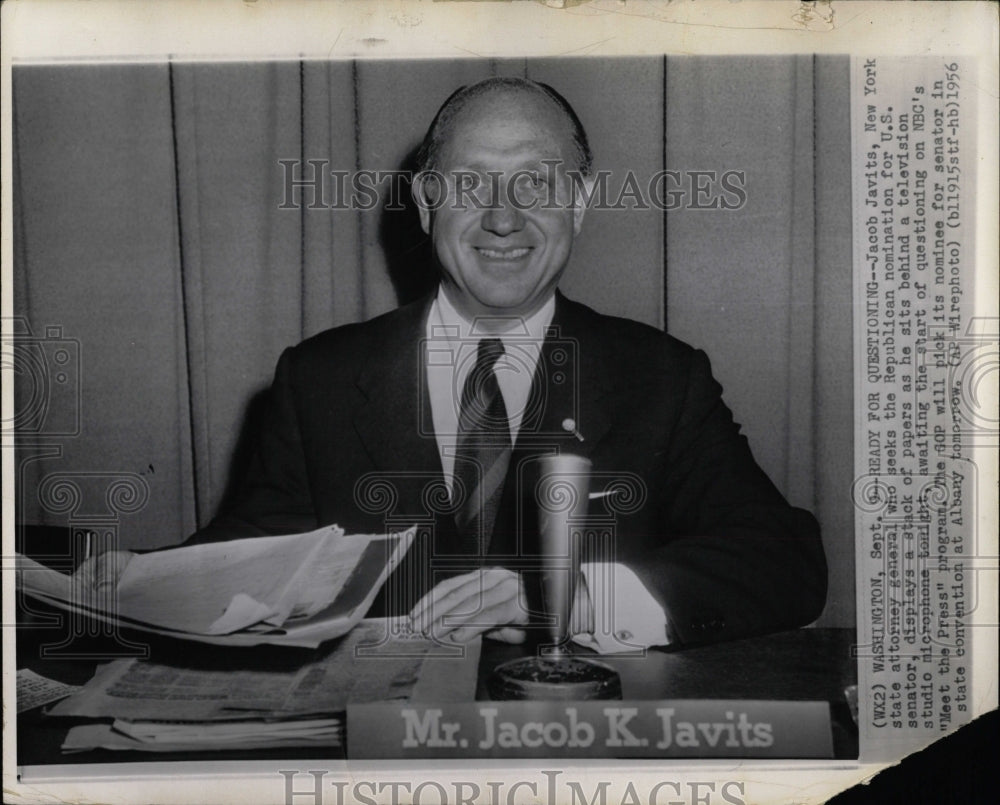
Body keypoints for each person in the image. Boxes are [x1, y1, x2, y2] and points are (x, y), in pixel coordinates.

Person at [79, 77, 827, 652]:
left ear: (581, 201)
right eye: (471, 183)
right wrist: (130, 582)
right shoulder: (319, 380)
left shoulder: (662, 377)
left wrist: (564, 598)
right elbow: (248, 564)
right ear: (426, 202)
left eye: (536, 181)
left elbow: (783, 561)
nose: (504, 216)